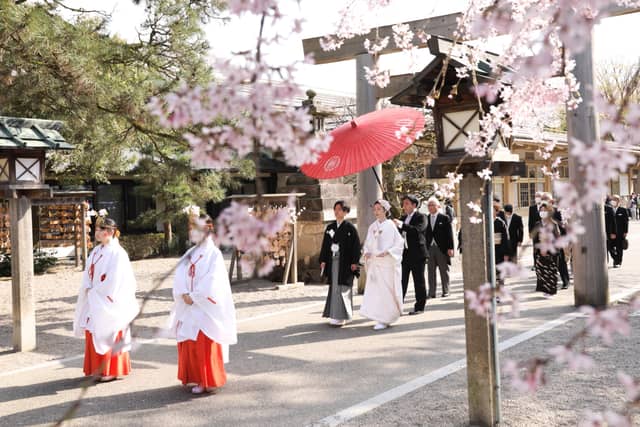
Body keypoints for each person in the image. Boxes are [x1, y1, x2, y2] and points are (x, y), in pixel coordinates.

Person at [168, 215, 237, 394]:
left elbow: (213, 280)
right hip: (188, 303)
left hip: (203, 305)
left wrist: (195, 296)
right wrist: (183, 292)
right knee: (190, 341)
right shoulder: (189, 253)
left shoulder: (214, 253)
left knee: (204, 342)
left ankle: (207, 380)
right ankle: (194, 376)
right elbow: (180, 274)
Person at [73, 217, 139, 382]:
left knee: (109, 330)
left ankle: (112, 369)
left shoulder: (118, 253)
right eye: (96, 229)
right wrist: (88, 287)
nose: (97, 232)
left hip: (109, 299)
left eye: (100, 229)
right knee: (94, 330)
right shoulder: (96, 251)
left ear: (109, 232)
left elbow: (114, 280)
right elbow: (88, 273)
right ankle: (97, 369)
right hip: (94, 296)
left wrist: (98, 292)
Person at [360, 200, 405, 330]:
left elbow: (399, 243)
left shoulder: (391, 225)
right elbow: (368, 243)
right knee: (376, 291)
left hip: (387, 263)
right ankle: (380, 317)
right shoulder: (372, 226)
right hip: (375, 263)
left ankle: (387, 317)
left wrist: (389, 252)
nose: (376, 212)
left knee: (387, 291)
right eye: (375, 209)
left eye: (379, 209)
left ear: (385, 210)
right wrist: (367, 252)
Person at [319, 200, 361, 326]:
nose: (336, 212)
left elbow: (356, 246)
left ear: (345, 212)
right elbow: (325, 245)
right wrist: (323, 260)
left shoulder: (350, 228)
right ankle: (334, 314)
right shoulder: (330, 227)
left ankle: (342, 315)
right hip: (333, 261)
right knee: (334, 288)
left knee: (343, 288)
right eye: (335, 209)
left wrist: (355, 262)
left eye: (339, 209)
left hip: (345, 263)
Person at [393, 195, 428, 315]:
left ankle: (419, 306)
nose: (404, 206)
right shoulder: (403, 217)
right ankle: (398, 305)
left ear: (414, 205)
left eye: (407, 203)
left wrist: (402, 225)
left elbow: (417, 230)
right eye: (403, 204)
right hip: (405, 253)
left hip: (417, 253)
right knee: (402, 280)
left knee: (419, 280)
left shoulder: (421, 217)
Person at [424, 197, 454, 298]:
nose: (430, 207)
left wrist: (450, 248)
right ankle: (431, 292)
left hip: (441, 248)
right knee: (430, 271)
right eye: (429, 205)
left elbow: (449, 234)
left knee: (443, 270)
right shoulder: (426, 218)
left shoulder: (444, 218)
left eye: (432, 205)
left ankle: (446, 290)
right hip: (430, 248)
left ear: (438, 206)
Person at [531, 202, 560, 296]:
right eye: (541, 210)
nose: (542, 212)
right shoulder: (537, 224)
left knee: (551, 271)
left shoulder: (553, 224)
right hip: (540, 251)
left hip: (551, 251)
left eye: (545, 211)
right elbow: (535, 239)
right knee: (542, 271)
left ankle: (551, 290)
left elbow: (557, 239)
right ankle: (544, 289)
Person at [550, 198, 570, 288]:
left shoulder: (558, 212)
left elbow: (563, 227)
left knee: (561, 262)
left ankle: (566, 281)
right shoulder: (541, 211)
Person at [493, 200, 510, 286]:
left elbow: (505, 239)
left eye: (493, 210)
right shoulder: (485, 222)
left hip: (499, 250)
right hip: (489, 251)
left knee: (499, 272)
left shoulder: (500, 222)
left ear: (497, 211)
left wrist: (506, 253)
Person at [609, 195, 629, 268]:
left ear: (618, 201)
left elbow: (626, 222)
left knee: (619, 248)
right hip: (611, 233)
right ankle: (616, 258)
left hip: (620, 233)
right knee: (610, 247)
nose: (613, 201)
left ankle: (618, 262)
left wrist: (625, 231)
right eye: (612, 199)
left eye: (615, 199)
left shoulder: (623, 210)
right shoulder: (609, 209)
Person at [528, 191, 543, 269]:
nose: (537, 198)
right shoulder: (532, 208)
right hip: (535, 232)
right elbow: (530, 221)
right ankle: (535, 264)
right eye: (536, 196)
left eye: (538, 196)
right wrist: (530, 232)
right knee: (535, 248)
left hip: (544, 232)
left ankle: (543, 263)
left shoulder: (545, 206)